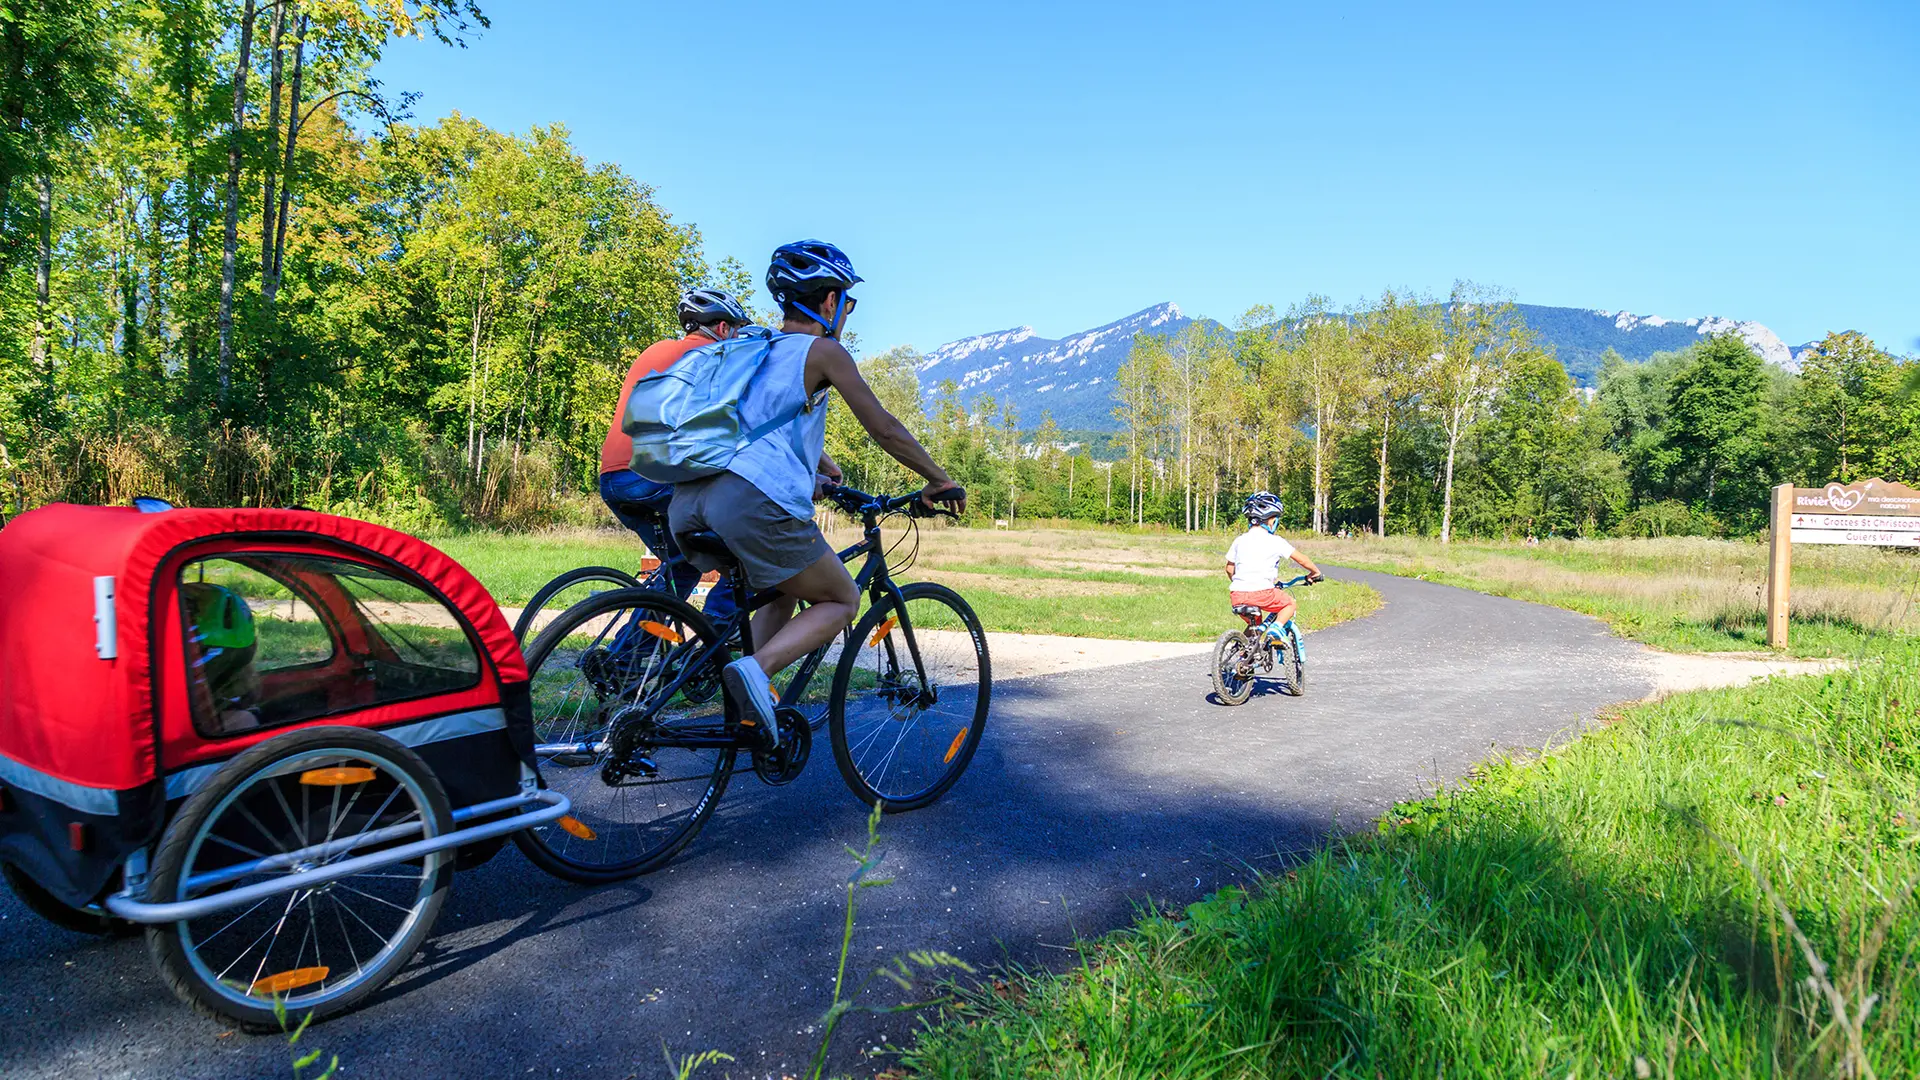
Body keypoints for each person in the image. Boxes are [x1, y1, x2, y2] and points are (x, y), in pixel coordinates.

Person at [668, 240, 965, 746]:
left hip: (688, 504)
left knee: (783, 588)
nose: (845, 313)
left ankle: (749, 714)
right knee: (842, 598)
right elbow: (884, 428)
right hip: (749, 505)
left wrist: (818, 479)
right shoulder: (823, 351)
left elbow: (756, 437)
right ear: (829, 301)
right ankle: (755, 672)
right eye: (847, 302)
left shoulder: (753, 347)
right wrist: (938, 478)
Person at [597, 288, 751, 619]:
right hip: (656, 479)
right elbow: (739, 426)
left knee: (681, 570)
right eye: (736, 330)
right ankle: (715, 644)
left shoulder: (657, 350)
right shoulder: (715, 360)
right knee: (746, 556)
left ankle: (626, 658)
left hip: (613, 478)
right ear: (723, 329)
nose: (737, 338)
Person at [1224, 491, 1323, 645]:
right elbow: (1302, 560)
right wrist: (1315, 572)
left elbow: (1230, 569)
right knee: (1289, 604)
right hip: (1263, 593)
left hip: (1237, 595)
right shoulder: (1276, 541)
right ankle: (1276, 628)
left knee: (1254, 626)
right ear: (1271, 520)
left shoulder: (1239, 540)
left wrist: (1243, 583)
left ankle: (1244, 658)